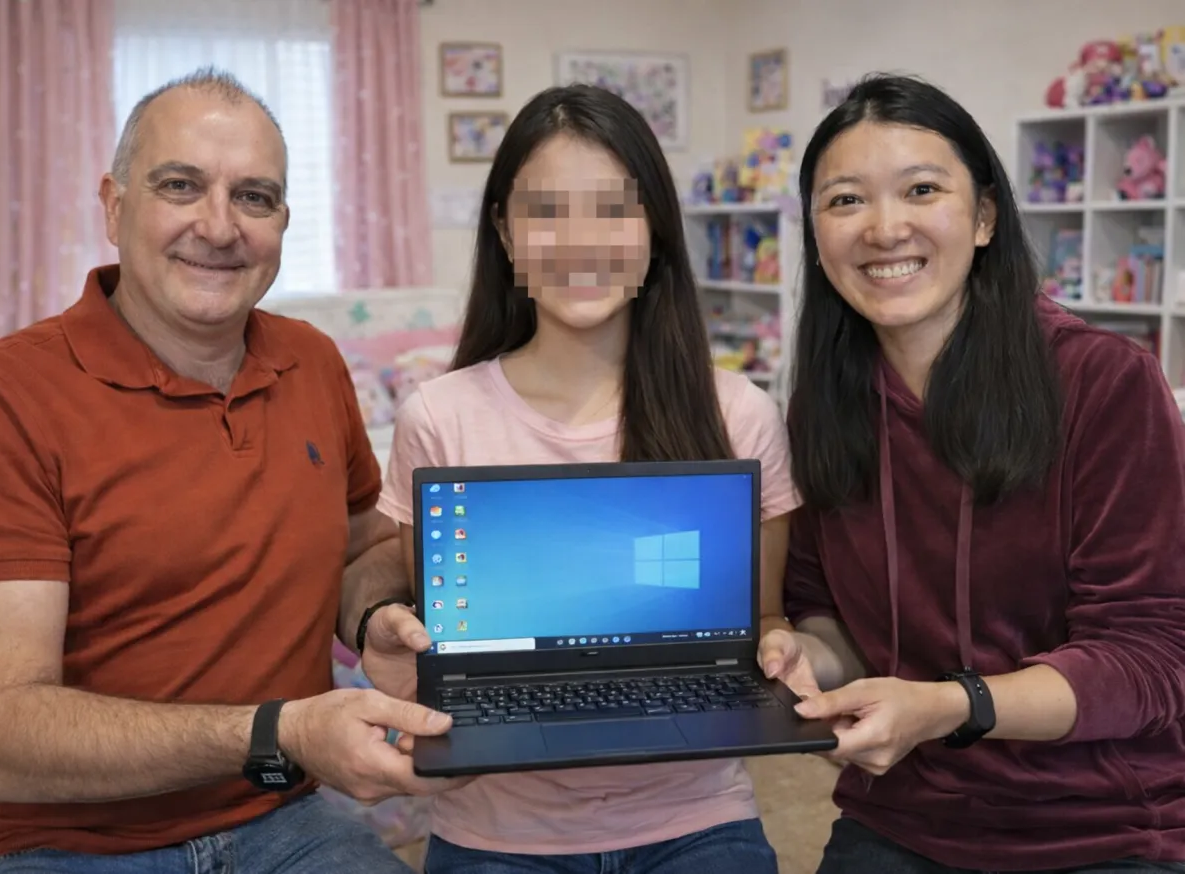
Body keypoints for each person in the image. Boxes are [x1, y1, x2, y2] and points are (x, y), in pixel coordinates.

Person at [0, 67, 463, 874]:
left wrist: (373, 623)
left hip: (279, 821)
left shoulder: (312, 362)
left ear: (284, 222)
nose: (220, 226)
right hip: (45, 844)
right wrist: (282, 732)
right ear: (115, 205)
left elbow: (356, 545)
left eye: (255, 197)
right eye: (181, 185)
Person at [355, 83, 797, 874]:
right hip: (494, 828)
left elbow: (763, 621)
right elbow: (439, 634)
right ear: (504, 232)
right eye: (546, 211)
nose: (579, 241)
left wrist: (782, 651)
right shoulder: (439, 415)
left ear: (656, 229)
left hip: (698, 816)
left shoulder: (741, 414)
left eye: (612, 209)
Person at [757, 73, 1185, 873]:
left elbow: (1152, 658)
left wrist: (949, 707)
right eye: (845, 200)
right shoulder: (826, 401)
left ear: (985, 216)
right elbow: (827, 614)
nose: (886, 228)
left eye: (922, 189)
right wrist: (803, 662)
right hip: (905, 817)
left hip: (1098, 825)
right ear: (815, 233)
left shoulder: (1105, 384)